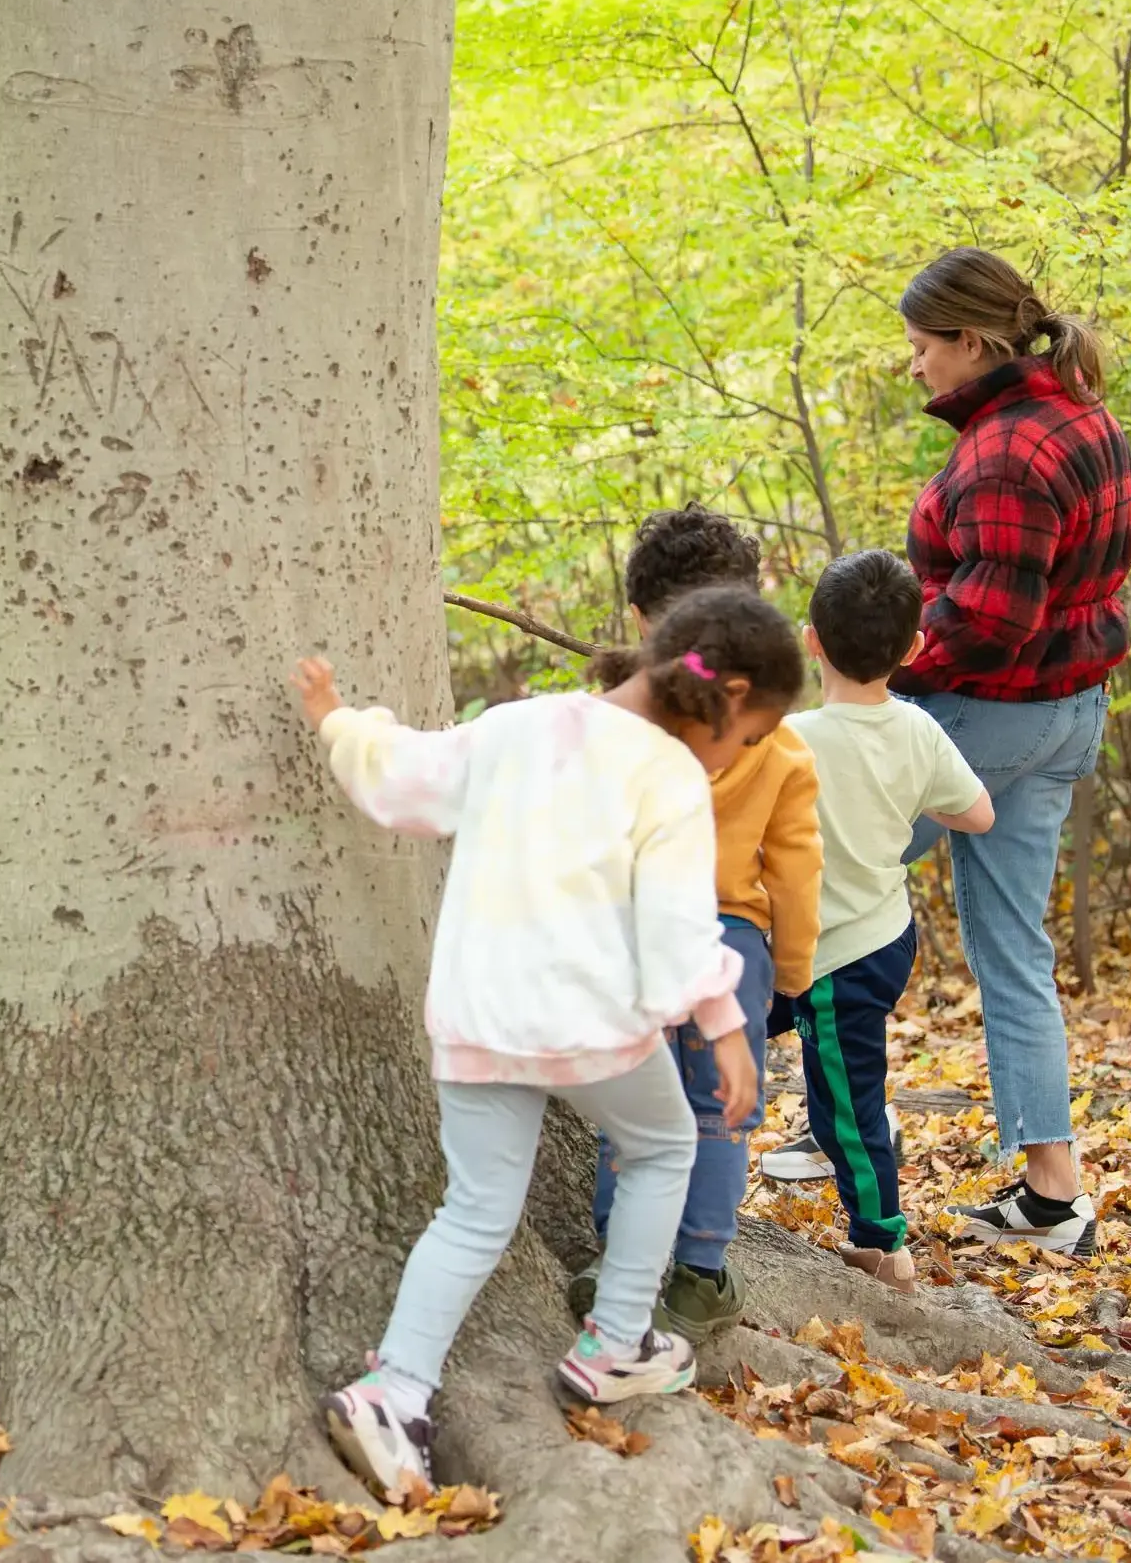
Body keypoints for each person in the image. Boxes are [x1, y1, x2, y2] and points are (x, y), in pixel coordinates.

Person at [299, 587, 805, 1498]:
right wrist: (725, 1028)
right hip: (589, 1023)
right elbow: (680, 929)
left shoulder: (515, 727)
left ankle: (394, 1391)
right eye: (752, 735)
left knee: (477, 1210)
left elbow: (405, 779)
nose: (740, 754)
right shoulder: (670, 778)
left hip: (479, 1013)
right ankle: (615, 1345)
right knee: (662, 1147)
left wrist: (339, 723)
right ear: (728, 695)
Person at [891, 248, 1131, 1257]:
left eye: (919, 347)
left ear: (969, 341)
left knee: (807, 872)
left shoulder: (1003, 450)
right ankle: (1051, 1194)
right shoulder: (1080, 414)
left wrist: (876, 659)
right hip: (1065, 712)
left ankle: (827, 1132)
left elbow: (988, 620)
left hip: (994, 717)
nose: (912, 366)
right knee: (1012, 952)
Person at [564, 506, 820, 1344]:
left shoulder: (614, 722)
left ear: (642, 621)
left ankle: (614, 1260)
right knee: (720, 1109)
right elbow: (794, 869)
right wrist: (793, 972)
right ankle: (701, 1271)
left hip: (633, 931)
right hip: (731, 940)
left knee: (634, 1098)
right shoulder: (779, 743)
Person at [779, 552, 994, 1292]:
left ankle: (884, 1245)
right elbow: (977, 812)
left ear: (811, 640)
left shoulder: (791, 736)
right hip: (875, 939)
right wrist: (907, 795)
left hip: (839, 957)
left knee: (844, 1101)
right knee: (776, 1040)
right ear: (911, 650)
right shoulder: (918, 732)